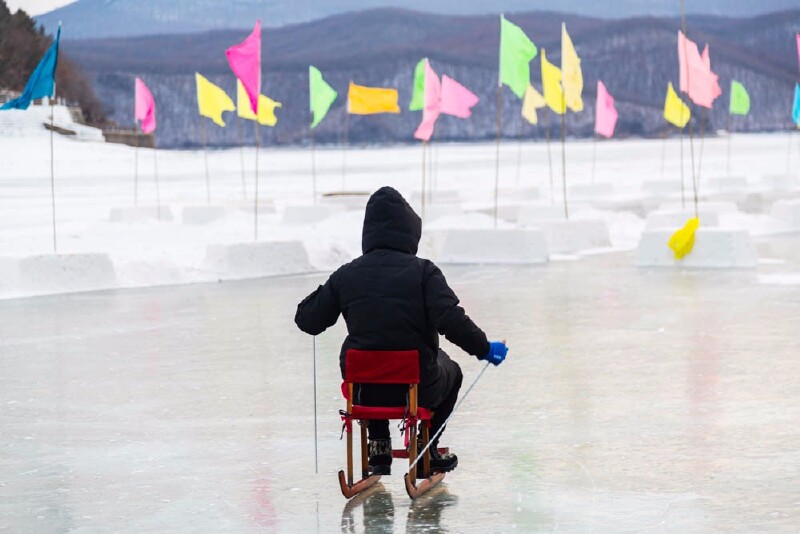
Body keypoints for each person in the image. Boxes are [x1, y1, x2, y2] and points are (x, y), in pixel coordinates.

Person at [295, 186, 508, 476]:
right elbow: (451, 320)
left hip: (363, 392)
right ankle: (426, 447)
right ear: (409, 230)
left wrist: (334, 286)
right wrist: (485, 348)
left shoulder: (347, 274)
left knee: (371, 358)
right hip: (418, 389)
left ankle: (379, 446)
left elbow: (308, 320)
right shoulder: (424, 273)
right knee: (453, 371)